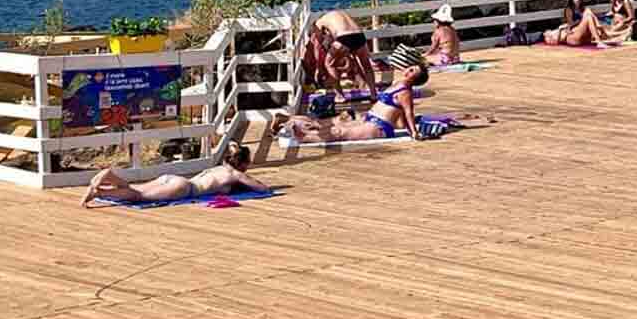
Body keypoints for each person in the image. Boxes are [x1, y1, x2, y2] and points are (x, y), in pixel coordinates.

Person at [280, 64, 434, 144]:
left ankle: (304, 137)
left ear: (414, 78)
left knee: (341, 134)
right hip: (370, 119)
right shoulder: (397, 84)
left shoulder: (405, 92)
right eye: (411, 68)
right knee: (336, 126)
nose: (409, 69)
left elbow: (408, 112)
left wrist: (414, 132)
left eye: (413, 70)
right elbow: (399, 115)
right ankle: (304, 130)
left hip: (378, 127)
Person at [81, 145, 266, 207]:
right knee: (139, 197)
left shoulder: (220, 167)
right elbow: (261, 188)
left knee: (135, 189)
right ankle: (100, 193)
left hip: (172, 178)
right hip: (185, 188)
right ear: (242, 164)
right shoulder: (234, 174)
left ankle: (110, 178)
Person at [303, 10, 380, 101]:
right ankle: (373, 94)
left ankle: (340, 96)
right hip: (359, 35)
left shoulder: (318, 24)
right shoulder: (337, 15)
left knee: (329, 63)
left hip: (343, 37)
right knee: (366, 66)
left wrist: (319, 69)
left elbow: (318, 45)